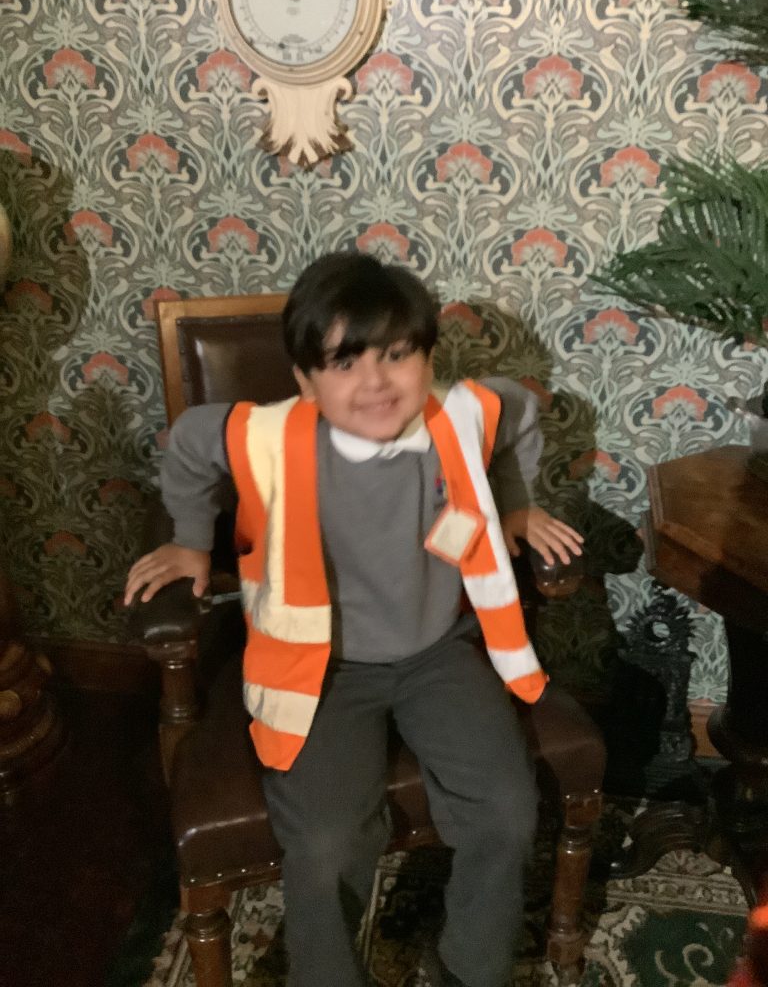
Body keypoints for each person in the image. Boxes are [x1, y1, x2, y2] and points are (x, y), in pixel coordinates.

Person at [124, 251, 583, 987]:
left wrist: (517, 504)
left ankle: (470, 968)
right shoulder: (264, 435)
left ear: (428, 358)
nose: (375, 382)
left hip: (438, 649)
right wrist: (188, 539)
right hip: (320, 668)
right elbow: (188, 444)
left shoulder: (464, 414)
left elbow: (520, 414)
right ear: (305, 381)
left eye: (397, 355)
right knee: (327, 843)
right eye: (344, 362)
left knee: (505, 809)